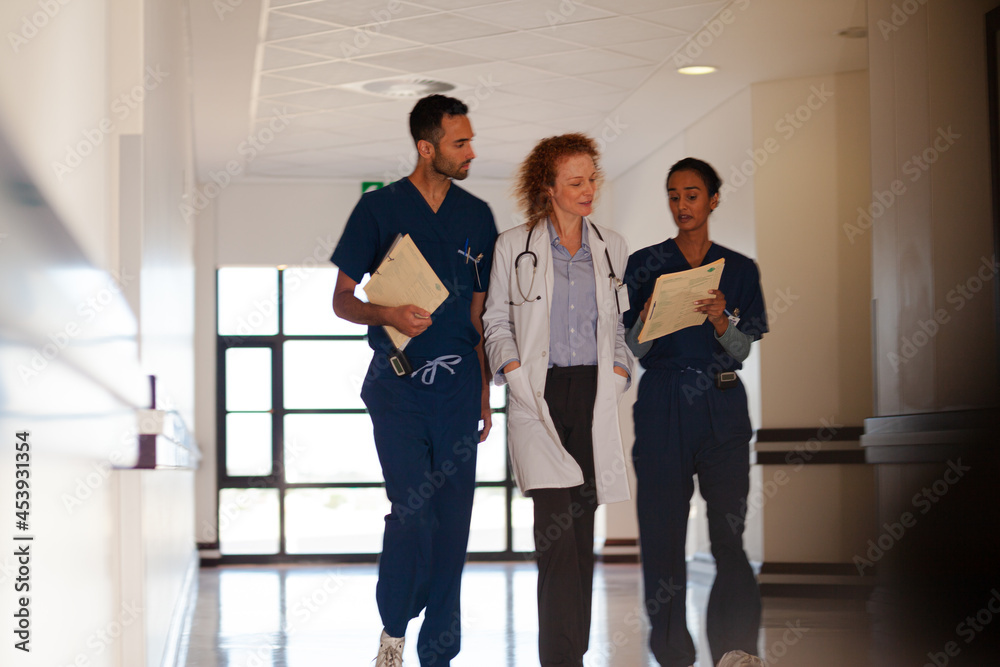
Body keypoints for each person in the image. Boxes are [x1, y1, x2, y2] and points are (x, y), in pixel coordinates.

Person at [330, 94, 497, 667]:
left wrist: (483, 390)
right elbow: (342, 300)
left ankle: (439, 656)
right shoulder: (378, 210)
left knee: (453, 525)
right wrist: (388, 314)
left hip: (457, 387)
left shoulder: (478, 216)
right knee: (412, 512)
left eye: (470, 140)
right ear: (427, 148)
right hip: (397, 387)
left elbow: (477, 316)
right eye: (460, 142)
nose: (471, 152)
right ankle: (395, 627)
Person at [483, 133, 635, 666]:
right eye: (575, 181)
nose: (588, 189)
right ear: (548, 188)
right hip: (537, 396)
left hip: (592, 395)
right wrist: (514, 373)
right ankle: (561, 658)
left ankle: (574, 651)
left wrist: (619, 371)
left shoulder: (611, 246)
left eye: (592, 178)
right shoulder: (513, 246)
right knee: (555, 537)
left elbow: (620, 326)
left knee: (582, 532)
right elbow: (496, 320)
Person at [623, 158, 767, 667]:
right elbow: (633, 349)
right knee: (662, 535)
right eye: (673, 195)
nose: (681, 205)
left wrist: (722, 320)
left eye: (692, 195)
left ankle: (735, 650)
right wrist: (645, 322)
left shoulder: (740, 269)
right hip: (663, 401)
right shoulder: (644, 264)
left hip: (722, 403)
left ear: (713, 199)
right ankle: (672, 654)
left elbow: (743, 349)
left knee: (729, 534)